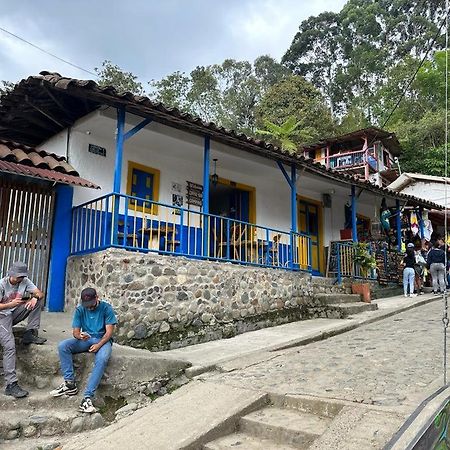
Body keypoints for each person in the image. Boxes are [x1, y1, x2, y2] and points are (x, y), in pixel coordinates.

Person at [50, 287, 117, 413]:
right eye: (87, 305)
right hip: (86, 339)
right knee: (63, 346)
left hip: (103, 340)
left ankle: (87, 398)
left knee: (102, 359)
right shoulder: (80, 309)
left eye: (91, 305)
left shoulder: (106, 308)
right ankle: (70, 384)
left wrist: (98, 345)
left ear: (97, 298)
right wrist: (79, 336)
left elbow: (109, 333)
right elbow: (75, 331)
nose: (89, 308)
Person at [0, 261, 46, 398]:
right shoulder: (2, 284)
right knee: (9, 346)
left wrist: (33, 297)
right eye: (17, 276)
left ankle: (30, 332)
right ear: (11, 274)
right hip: (2, 316)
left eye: (21, 276)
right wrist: (9, 304)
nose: (19, 279)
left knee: (37, 302)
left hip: (13, 313)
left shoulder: (25, 281)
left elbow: (40, 293)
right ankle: (11, 384)